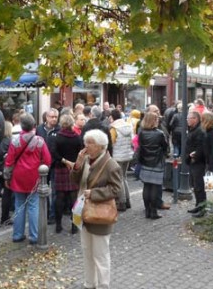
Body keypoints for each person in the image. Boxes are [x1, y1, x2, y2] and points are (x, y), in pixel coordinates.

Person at [70, 129, 122, 289]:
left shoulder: (111, 165)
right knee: (87, 252)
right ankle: (89, 283)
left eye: (90, 143)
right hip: (84, 213)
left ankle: (103, 285)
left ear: (101, 146)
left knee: (100, 254)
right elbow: (75, 180)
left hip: (101, 216)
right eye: (86, 142)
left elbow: (116, 190)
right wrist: (77, 163)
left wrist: (94, 193)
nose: (87, 146)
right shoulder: (86, 159)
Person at [4, 113, 51, 245]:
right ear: (34, 125)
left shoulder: (15, 141)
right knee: (33, 206)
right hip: (35, 177)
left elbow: (9, 162)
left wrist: (7, 177)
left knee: (19, 205)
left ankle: (18, 234)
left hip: (18, 177)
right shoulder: (40, 141)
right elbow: (47, 160)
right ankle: (34, 236)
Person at [52, 114, 83, 234]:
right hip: (74, 169)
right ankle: (75, 225)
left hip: (60, 168)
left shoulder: (57, 137)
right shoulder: (77, 137)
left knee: (59, 197)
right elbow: (80, 153)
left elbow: (53, 153)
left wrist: (64, 161)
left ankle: (58, 225)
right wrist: (74, 163)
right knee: (74, 198)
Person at [136, 112, 168, 219]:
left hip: (145, 162)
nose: (158, 121)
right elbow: (165, 147)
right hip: (157, 162)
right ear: (154, 121)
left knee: (146, 186)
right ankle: (153, 212)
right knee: (154, 187)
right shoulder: (159, 134)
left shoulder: (142, 133)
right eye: (157, 119)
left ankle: (147, 211)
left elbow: (140, 146)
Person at [109, 109, 133, 212]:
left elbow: (111, 142)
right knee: (124, 177)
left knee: (119, 179)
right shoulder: (128, 125)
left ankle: (121, 202)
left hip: (118, 156)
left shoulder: (114, 128)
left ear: (112, 117)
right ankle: (128, 200)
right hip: (127, 155)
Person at [184, 111, 207, 217]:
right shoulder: (192, 129)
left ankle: (202, 208)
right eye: (187, 118)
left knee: (199, 186)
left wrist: (194, 156)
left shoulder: (199, 131)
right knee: (195, 185)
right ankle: (198, 205)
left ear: (195, 119)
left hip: (198, 162)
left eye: (189, 118)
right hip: (192, 160)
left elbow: (201, 147)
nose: (187, 120)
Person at [0, 122, 13, 225]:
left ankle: (5, 215)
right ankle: (5, 217)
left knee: (5, 192)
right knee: (7, 194)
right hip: (6, 170)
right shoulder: (9, 141)